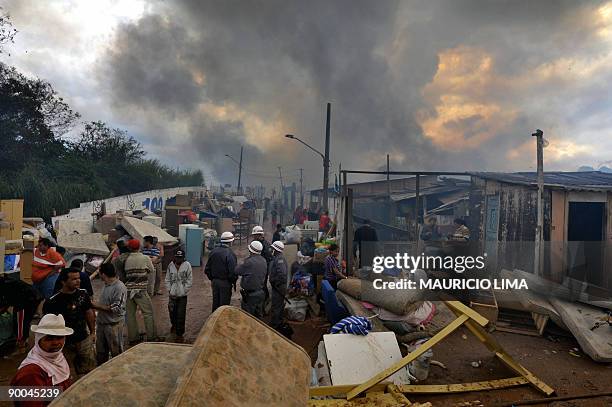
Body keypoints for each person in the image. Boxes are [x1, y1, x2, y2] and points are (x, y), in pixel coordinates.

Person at [43, 268, 96, 375]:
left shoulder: (83, 294)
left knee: (89, 370)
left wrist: (93, 332)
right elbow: (47, 324)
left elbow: (89, 313)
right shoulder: (53, 301)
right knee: (66, 371)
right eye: (74, 279)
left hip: (83, 338)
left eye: (78, 278)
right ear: (63, 281)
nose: (78, 281)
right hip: (64, 342)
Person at [11, 314, 73, 405]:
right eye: (49, 338)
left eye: (60, 337)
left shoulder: (58, 358)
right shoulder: (31, 374)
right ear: (38, 340)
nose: (55, 343)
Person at [114, 239, 157, 345]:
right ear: (139, 247)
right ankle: (151, 337)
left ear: (129, 248)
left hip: (128, 290)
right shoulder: (145, 258)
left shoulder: (124, 259)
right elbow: (151, 270)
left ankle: (133, 338)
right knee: (148, 313)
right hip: (140, 290)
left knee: (130, 315)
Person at [92, 263, 127, 365]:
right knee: (101, 352)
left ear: (103, 274)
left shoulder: (119, 287)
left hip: (113, 325)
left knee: (116, 353)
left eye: (99, 272)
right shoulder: (106, 285)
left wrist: (95, 306)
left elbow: (117, 308)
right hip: (102, 323)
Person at [0, 275, 42, 352]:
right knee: (20, 320)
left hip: (27, 300)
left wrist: (3, 309)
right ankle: (21, 341)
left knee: (21, 323)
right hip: (30, 297)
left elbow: (5, 303)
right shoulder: (5, 281)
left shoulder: (6, 285)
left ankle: (21, 346)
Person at [204, 231, 237, 313]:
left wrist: (212, 279)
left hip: (215, 282)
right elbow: (232, 272)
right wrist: (232, 281)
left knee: (215, 304)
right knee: (224, 308)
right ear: (231, 242)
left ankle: (213, 322)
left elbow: (207, 269)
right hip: (225, 283)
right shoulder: (230, 254)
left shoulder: (213, 252)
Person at [165, 250, 192, 343]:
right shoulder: (170, 265)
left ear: (183, 257)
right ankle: (174, 325)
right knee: (172, 312)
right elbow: (167, 279)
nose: (178, 259)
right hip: (172, 294)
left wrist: (184, 290)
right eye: (177, 257)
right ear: (175, 257)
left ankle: (180, 333)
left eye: (180, 257)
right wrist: (170, 289)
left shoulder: (187, 265)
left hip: (182, 295)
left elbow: (189, 280)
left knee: (181, 314)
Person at [236, 241, 267, 319]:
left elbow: (237, 271)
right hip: (260, 293)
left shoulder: (249, 262)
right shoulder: (264, 260)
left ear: (251, 250)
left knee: (247, 318)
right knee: (258, 317)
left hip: (250, 295)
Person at [268, 241, 288, 329]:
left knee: (276, 305)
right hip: (278, 286)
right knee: (277, 304)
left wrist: (275, 282)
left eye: (273, 248)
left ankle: (275, 325)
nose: (271, 250)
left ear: (276, 250)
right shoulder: (276, 258)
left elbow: (282, 275)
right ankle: (277, 321)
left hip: (279, 286)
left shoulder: (280, 259)